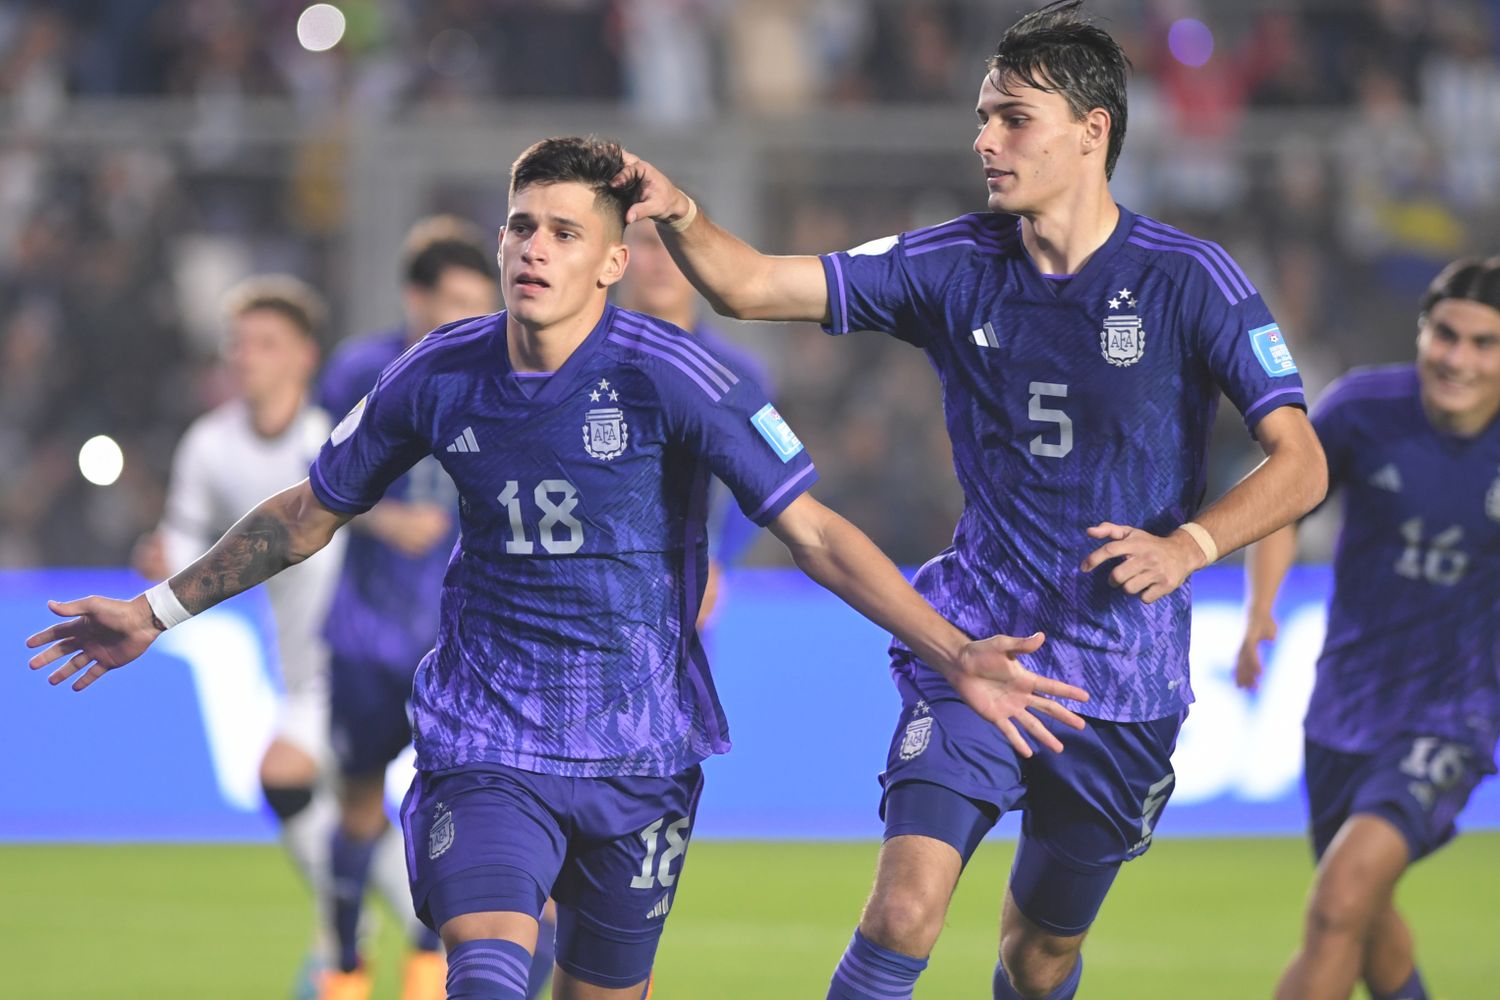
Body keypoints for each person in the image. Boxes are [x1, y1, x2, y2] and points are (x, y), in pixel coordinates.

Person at [27, 136, 1090, 1000]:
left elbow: (816, 535)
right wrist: (156, 609)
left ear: (613, 262)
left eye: (565, 232)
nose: (535, 248)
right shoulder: (438, 372)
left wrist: (953, 651)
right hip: (485, 740)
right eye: (522, 225)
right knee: (488, 966)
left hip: (639, 756)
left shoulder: (679, 379)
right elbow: (309, 510)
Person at [617, 2, 1328, 996]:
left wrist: (1193, 546)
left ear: (1093, 131)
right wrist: (682, 212)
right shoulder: (950, 262)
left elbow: (1301, 462)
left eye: (1014, 118)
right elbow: (748, 285)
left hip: (1121, 684)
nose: (985, 139)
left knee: (1039, 957)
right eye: (983, 116)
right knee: (903, 909)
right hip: (975, 646)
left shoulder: (1189, 280)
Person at [1237, 258, 1500, 1000]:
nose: (1458, 358)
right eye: (1445, 335)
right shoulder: (1362, 410)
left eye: (1485, 344)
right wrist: (1261, 609)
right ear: (1421, 332)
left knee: (1340, 900)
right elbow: (1283, 502)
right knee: (1369, 923)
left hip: (1454, 717)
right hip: (1343, 709)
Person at [131, 275, 348, 997]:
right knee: (303, 788)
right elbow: (183, 539)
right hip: (303, 669)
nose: (246, 358)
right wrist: (163, 562)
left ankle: (359, 932)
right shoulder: (209, 445)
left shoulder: (336, 441)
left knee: (331, 794)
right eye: (238, 345)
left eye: (266, 344)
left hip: (381, 658)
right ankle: (355, 926)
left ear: (304, 357)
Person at [315, 218, 501, 1000]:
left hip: (453, 638)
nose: (464, 317)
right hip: (364, 628)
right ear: (414, 297)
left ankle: (428, 965)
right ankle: (346, 964)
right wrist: (387, 519)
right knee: (358, 801)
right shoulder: (361, 368)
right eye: (452, 299)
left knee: (445, 805)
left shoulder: (496, 373)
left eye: (477, 303)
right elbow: (314, 480)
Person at [614, 220, 774, 627]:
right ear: (618, 256)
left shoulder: (736, 373)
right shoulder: (575, 360)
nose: (663, 261)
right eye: (650, 244)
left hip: (682, 590)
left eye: (676, 246)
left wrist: (716, 561)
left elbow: (766, 479)